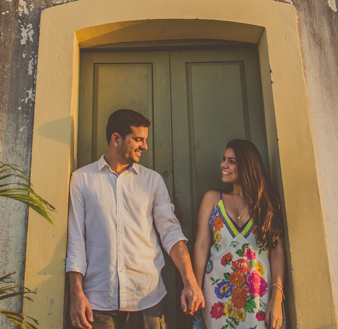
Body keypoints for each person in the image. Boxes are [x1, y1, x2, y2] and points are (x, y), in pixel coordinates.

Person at [66, 108, 204, 329]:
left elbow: (171, 233)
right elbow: (75, 241)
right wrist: (76, 294)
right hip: (97, 303)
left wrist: (190, 282)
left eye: (145, 140)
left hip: (147, 299)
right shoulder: (82, 180)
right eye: (138, 139)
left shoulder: (153, 181)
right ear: (116, 139)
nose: (144, 146)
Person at [192, 139, 286, 329]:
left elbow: (277, 251)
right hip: (218, 300)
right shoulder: (212, 199)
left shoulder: (266, 203)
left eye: (231, 161)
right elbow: (201, 246)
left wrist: (276, 299)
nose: (223, 165)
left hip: (260, 298)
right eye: (224, 159)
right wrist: (194, 287)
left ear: (247, 166)